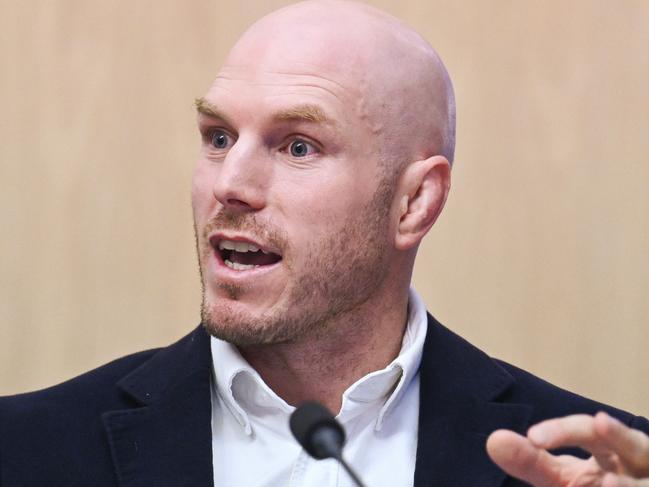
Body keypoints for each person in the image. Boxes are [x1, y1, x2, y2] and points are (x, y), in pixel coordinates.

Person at [1, 1, 648, 486]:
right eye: (218, 136)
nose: (231, 184)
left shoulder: (590, 465)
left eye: (298, 146)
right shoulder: (22, 450)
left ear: (413, 201)